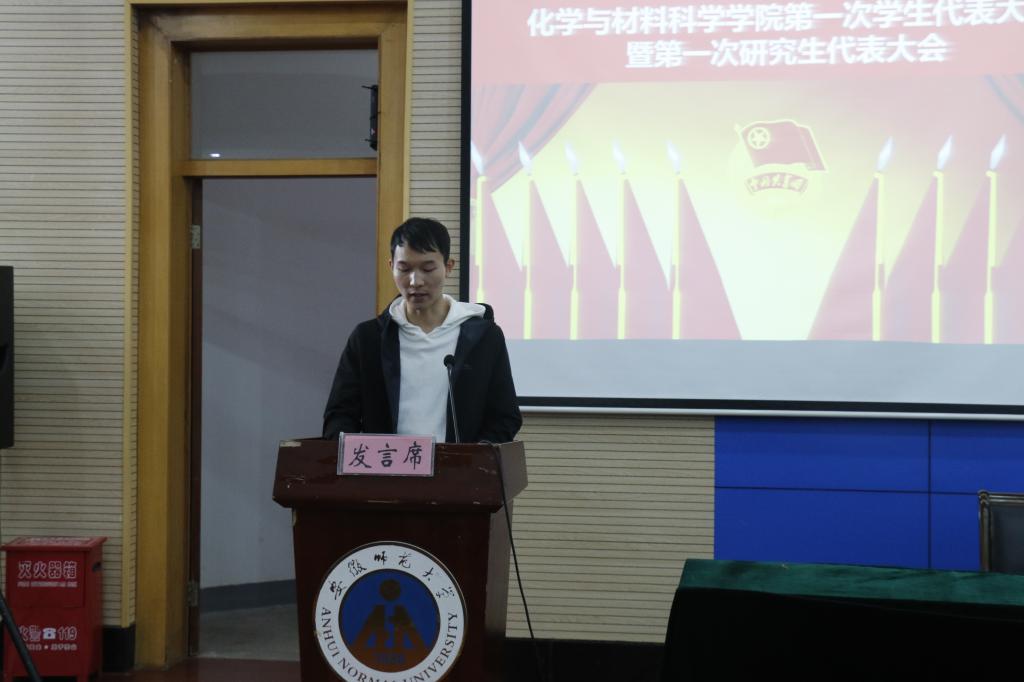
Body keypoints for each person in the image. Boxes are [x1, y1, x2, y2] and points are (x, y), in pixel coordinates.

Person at [322, 217, 522, 443]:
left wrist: (476, 455)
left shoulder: (483, 337)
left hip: (457, 465)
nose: (415, 281)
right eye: (404, 269)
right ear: (391, 267)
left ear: (448, 267)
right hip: (386, 464)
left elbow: (505, 417)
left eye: (427, 269)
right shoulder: (369, 339)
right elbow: (339, 415)